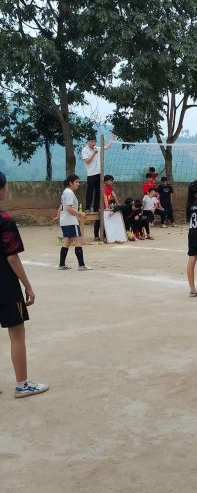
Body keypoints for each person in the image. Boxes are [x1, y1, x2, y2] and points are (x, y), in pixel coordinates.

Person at [0, 171, 49, 398]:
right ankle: (22, 384)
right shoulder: (5, 220)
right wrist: (28, 286)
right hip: (5, 286)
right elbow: (12, 257)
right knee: (17, 332)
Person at [81, 133, 115, 240]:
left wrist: (112, 139)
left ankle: (96, 207)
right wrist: (94, 154)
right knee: (90, 191)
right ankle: (87, 208)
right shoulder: (85, 150)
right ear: (88, 142)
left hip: (99, 173)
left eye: (94, 141)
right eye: (91, 141)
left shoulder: (97, 148)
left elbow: (106, 147)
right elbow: (87, 161)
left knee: (98, 191)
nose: (93, 143)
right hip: (91, 174)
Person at [58, 175, 93, 270]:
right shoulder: (69, 193)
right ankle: (81, 265)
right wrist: (80, 214)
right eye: (76, 182)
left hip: (65, 221)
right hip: (70, 221)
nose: (78, 184)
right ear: (70, 183)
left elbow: (62, 207)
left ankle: (62, 264)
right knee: (78, 241)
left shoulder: (65, 192)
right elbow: (69, 208)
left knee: (67, 242)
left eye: (78, 182)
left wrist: (58, 216)